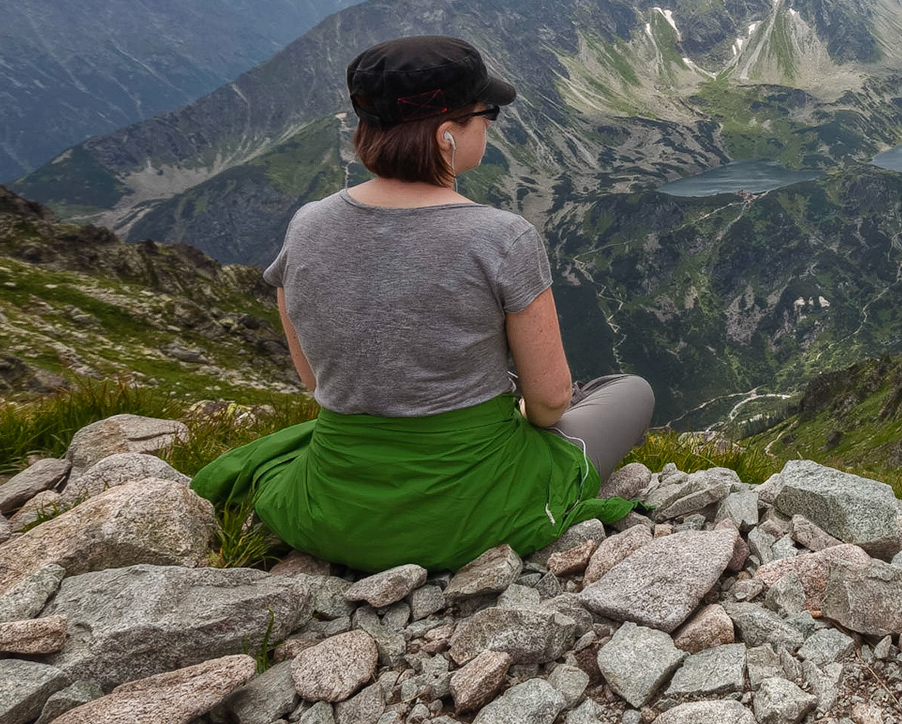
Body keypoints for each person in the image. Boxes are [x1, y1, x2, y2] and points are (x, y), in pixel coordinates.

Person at [192, 35, 655, 572]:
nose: (490, 124)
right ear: (445, 137)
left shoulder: (307, 224)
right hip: (466, 512)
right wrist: (520, 411)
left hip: (333, 509)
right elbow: (549, 403)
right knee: (629, 391)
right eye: (486, 114)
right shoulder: (502, 236)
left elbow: (316, 383)